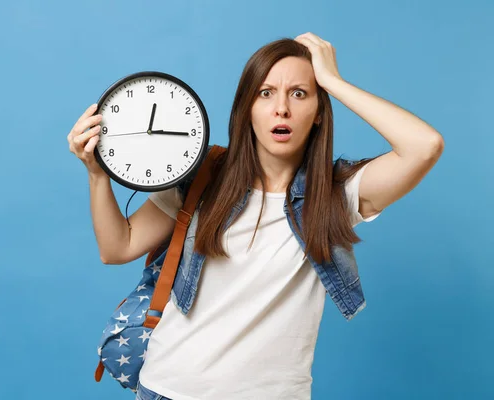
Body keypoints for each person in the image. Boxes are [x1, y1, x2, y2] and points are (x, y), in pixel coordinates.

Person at [67, 32, 444, 400]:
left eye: (300, 93)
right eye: (266, 94)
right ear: (248, 108)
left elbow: (424, 147)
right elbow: (116, 248)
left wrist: (333, 81)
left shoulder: (335, 194)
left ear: (317, 113)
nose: (282, 108)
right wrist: (97, 174)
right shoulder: (202, 177)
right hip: (169, 389)